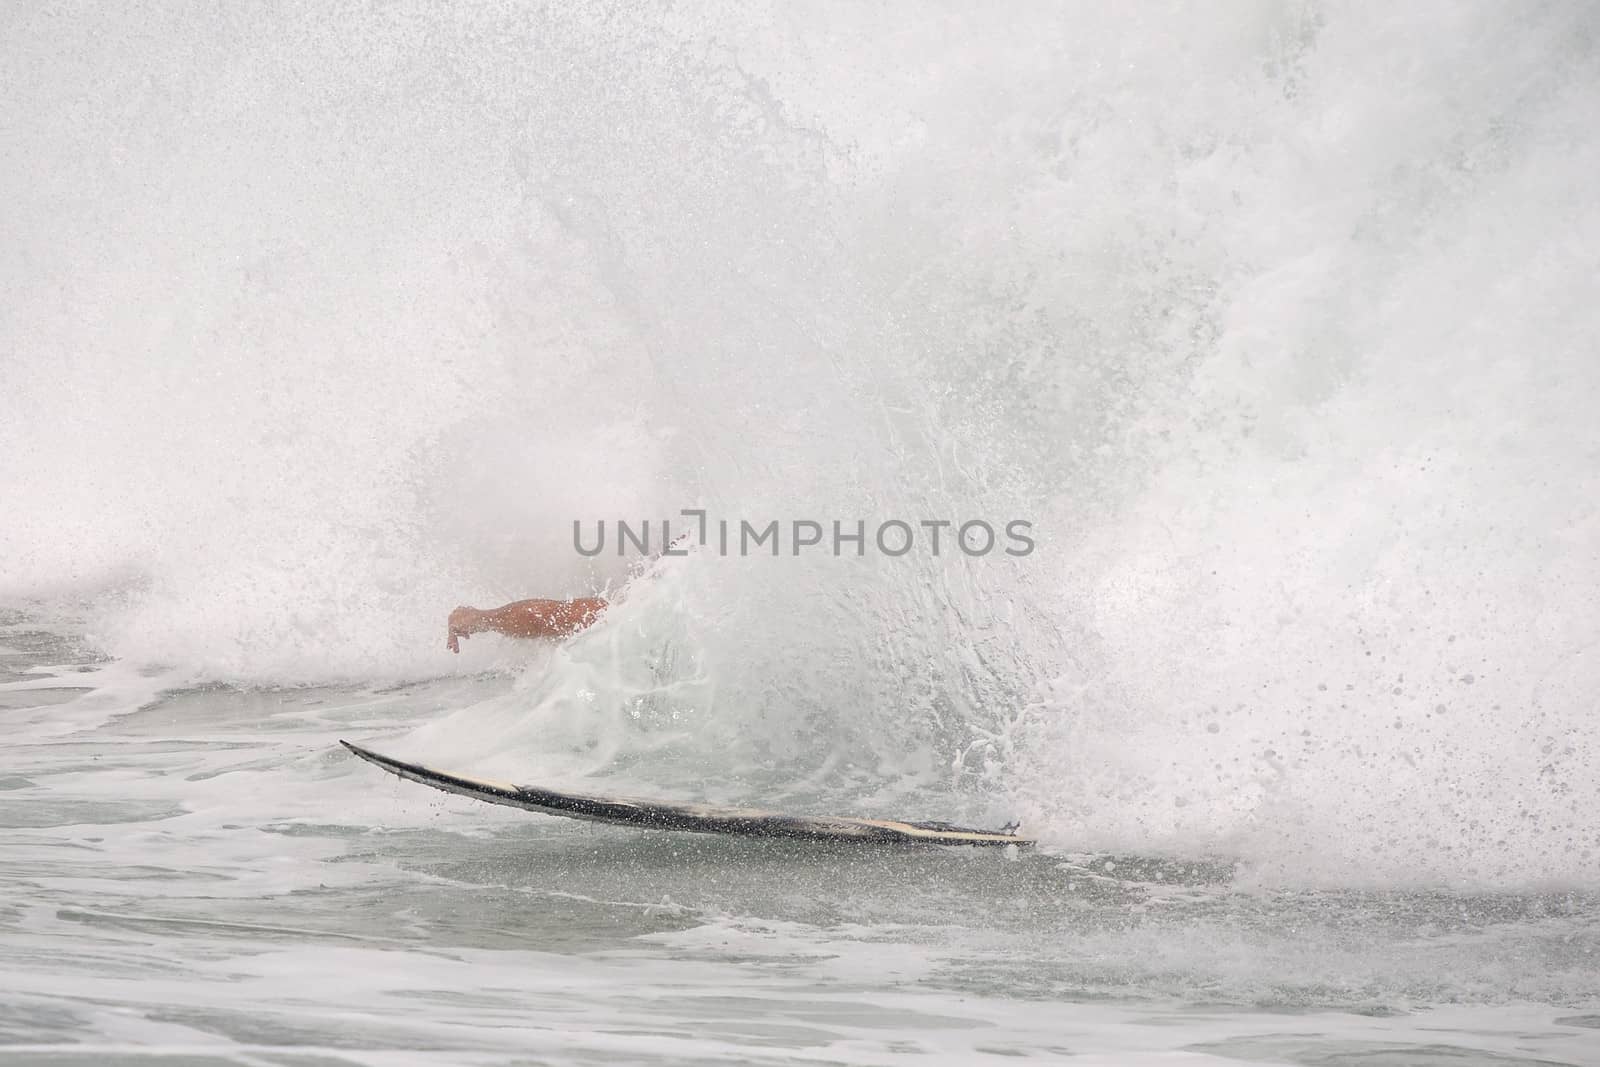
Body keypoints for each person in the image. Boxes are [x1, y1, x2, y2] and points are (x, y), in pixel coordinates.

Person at [446, 597, 608, 652]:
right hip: (533, 617)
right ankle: (456, 624)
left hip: (542, 615)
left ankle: (457, 622)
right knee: (489, 618)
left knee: (489, 618)